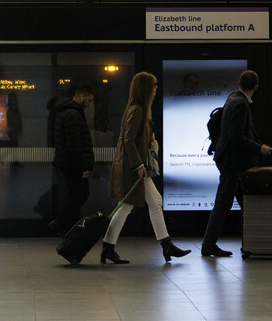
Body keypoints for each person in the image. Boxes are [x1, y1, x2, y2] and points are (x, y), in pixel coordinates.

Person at [100, 72, 190, 264]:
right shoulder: (138, 110)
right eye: (153, 85)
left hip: (132, 168)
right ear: (145, 89)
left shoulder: (138, 109)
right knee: (143, 204)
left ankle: (109, 247)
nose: (156, 88)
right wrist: (139, 165)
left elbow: (131, 138)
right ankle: (166, 246)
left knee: (130, 206)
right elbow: (128, 140)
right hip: (134, 169)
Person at [201, 69, 272, 257]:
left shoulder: (232, 98)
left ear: (238, 83)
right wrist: (259, 148)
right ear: (256, 87)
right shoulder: (241, 104)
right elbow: (236, 137)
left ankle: (252, 242)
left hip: (229, 160)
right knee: (223, 204)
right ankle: (209, 245)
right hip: (232, 163)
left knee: (244, 203)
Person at [48, 85, 96, 233]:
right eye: (88, 100)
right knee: (80, 194)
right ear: (81, 96)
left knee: (75, 195)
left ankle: (65, 224)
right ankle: (65, 225)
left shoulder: (66, 112)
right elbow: (74, 143)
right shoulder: (72, 114)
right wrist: (83, 167)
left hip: (66, 162)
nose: (89, 104)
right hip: (72, 165)